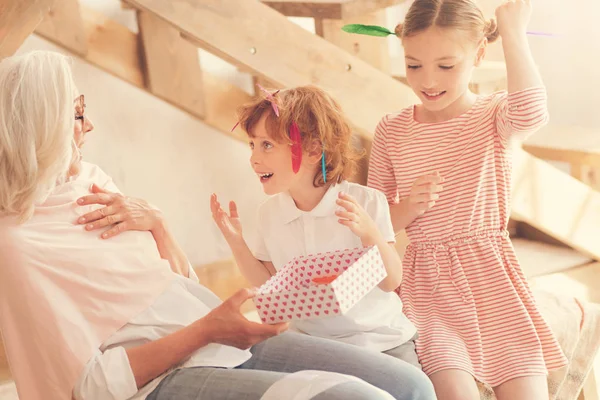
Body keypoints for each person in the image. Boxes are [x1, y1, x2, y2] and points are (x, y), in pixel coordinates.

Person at [0, 51, 433, 400]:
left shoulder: (92, 182)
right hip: (170, 371)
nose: (89, 125)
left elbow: (175, 288)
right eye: (75, 116)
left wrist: (159, 226)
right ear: (38, 129)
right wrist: (211, 318)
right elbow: (90, 386)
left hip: (248, 338)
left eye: (84, 111)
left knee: (411, 386)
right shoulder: (18, 244)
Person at [363, 0, 568, 399]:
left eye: (446, 65)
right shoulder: (391, 129)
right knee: (454, 389)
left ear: (478, 54)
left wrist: (512, 30)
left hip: (492, 276)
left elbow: (531, 110)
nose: (428, 79)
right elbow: (373, 221)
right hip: (427, 288)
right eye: (413, 64)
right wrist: (409, 208)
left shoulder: (493, 115)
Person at [211, 85, 435, 399]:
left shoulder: (366, 202)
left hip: (381, 341)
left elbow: (391, 280)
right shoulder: (269, 214)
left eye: (266, 145)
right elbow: (269, 286)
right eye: (252, 144)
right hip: (315, 346)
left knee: (411, 390)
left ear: (314, 151)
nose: (253, 158)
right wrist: (237, 243)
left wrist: (369, 233)